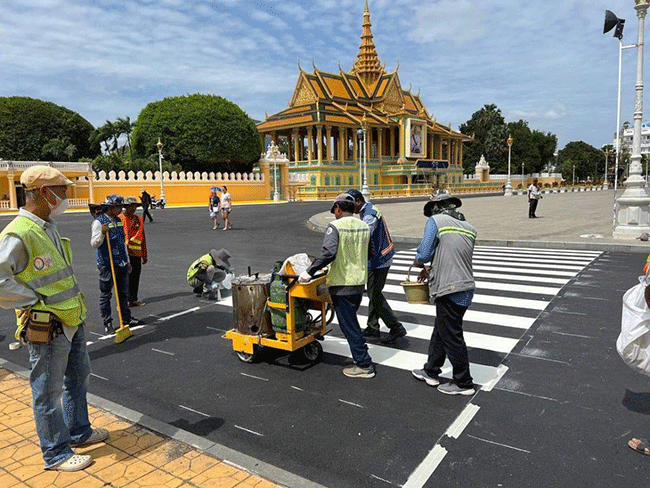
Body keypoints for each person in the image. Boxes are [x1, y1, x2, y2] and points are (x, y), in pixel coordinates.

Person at [0, 166, 108, 472]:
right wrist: (31, 301)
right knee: (48, 391)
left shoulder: (47, 227)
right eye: (61, 192)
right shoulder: (19, 232)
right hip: (47, 326)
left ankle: (79, 431)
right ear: (44, 193)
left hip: (71, 320)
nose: (65, 197)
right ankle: (56, 453)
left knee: (77, 378)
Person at [299, 193, 375, 378]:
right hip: (358, 283)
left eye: (335, 210)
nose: (334, 214)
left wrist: (308, 272)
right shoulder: (363, 226)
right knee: (351, 322)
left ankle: (364, 364)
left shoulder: (335, 226)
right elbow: (371, 252)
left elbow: (329, 253)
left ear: (339, 209)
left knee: (350, 326)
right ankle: (362, 359)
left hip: (342, 285)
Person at [410, 192, 477, 396]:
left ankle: (463, 382)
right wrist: (431, 268)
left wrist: (419, 262)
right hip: (465, 286)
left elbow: (424, 253)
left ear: (437, 206)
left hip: (450, 287)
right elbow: (450, 254)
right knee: (441, 329)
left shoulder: (436, 221)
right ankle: (431, 370)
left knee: (452, 335)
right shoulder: (469, 228)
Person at [347, 189, 406, 344]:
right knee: (374, 293)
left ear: (358, 201)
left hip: (380, 260)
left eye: (350, 204)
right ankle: (373, 327)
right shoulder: (366, 210)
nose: (349, 207)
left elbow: (364, 234)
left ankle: (396, 327)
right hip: (378, 258)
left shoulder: (369, 215)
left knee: (375, 295)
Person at [91, 194, 141, 333]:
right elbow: (94, 244)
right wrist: (102, 233)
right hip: (107, 265)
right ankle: (107, 322)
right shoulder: (99, 222)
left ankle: (126, 318)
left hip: (121, 263)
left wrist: (127, 261)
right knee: (106, 295)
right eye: (118, 207)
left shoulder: (118, 220)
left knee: (123, 294)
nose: (121, 209)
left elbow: (122, 242)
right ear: (111, 207)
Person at [119, 196, 147, 307]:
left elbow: (142, 238)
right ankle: (124, 300)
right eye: (131, 206)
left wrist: (144, 255)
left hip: (136, 254)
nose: (133, 208)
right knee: (124, 278)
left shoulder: (138, 220)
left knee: (135, 276)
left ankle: (133, 298)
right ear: (126, 207)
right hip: (124, 253)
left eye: (135, 206)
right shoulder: (120, 219)